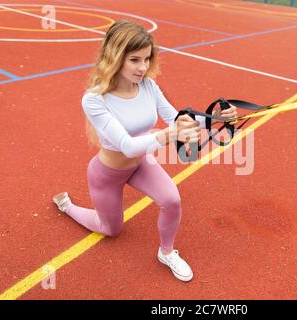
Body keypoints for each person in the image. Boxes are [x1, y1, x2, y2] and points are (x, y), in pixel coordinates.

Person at [52, 20, 238, 282]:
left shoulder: (148, 86)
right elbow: (127, 145)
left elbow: (177, 120)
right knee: (111, 230)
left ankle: (167, 252)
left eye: (147, 59)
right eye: (134, 60)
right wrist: (168, 135)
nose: (143, 68)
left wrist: (215, 118)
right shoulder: (94, 99)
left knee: (172, 199)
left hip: (140, 164)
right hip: (107, 173)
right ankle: (68, 206)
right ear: (115, 58)